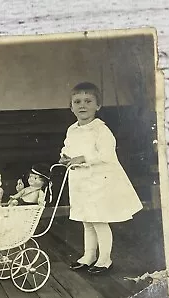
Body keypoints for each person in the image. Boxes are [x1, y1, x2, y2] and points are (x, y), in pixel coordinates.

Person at [59, 82, 143, 274]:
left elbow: (106, 154)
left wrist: (83, 158)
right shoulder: (72, 130)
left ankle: (105, 259)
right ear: (71, 107)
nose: (83, 105)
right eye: (77, 101)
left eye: (88, 101)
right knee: (86, 219)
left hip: (99, 181)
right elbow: (68, 147)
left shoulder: (101, 130)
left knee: (99, 220)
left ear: (98, 106)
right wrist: (65, 156)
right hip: (80, 181)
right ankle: (89, 255)